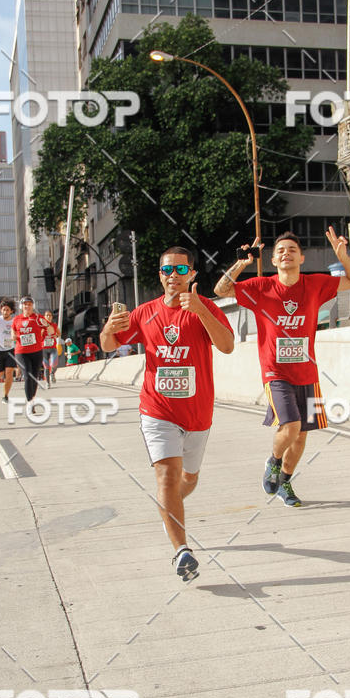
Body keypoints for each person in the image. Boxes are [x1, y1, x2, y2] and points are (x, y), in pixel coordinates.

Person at [100, 246, 234, 582]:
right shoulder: (145, 313)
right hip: (157, 410)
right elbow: (108, 345)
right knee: (167, 478)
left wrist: (201, 310)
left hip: (198, 413)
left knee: (187, 480)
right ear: (159, 276)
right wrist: (108, 328)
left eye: (179, 269)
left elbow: (227, 345)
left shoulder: (205, 309)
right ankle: (182, 552)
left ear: (192, 274)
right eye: (166, 270)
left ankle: (168, 505)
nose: (172, 276)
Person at [214, 227, 350, 506]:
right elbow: (220, 289)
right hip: (275, 372)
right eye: (280, 251)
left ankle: (284, 482)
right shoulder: (260, 287)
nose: (286, 254)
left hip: (307, 374)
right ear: (273, 260)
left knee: (301, 437)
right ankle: (273, 462)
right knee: (291, 426)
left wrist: (343, 256)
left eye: (292, 250)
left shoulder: (316, 284)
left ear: (302, 258)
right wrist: (242, 264)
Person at [11, 296, 53, 412]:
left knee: (34, 377)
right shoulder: (17, 319)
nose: (27, 306)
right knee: (28, 375)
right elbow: (13, 332)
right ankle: (30, 402)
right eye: (25, 304)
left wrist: (47, 324)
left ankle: (32, 399)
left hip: (36, 351)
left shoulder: (38, 318)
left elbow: (51, 331)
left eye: (29, 304)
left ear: (32, 306)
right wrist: (13, 336)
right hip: (21, 352)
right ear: (22, 307)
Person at [41, 310, 60, 387]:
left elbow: (59, 333)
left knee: (54, 363)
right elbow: (38, 335)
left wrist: (56, 335)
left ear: (52, 317)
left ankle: (52, 373)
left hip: (52, 348)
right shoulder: (41, 326)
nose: (48, 317)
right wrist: (42, 331)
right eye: (47, 315)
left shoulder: (54, 325)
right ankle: (47, 383)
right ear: (44, 317)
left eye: (50, 315)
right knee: (46, 366)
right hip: (44, 348)